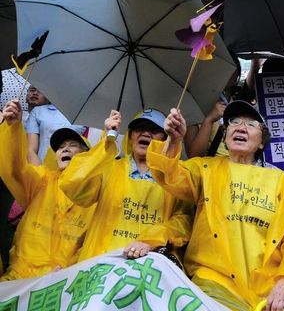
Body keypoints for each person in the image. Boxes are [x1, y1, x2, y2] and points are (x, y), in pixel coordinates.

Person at [147, 100, 284, 311]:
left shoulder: (283, 183)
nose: (240, 127)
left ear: (262, 142)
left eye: (251, 124)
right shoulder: (204, 169)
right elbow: (169, 175)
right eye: (234, 122)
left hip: (273, 283)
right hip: (215, 281)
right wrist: (174, 141)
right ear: (226, 138)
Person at [59, 109, 193, 262]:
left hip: (147, 267)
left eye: (154, 130)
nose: (145, 134)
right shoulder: (108, 168)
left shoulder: (174, 176)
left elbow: (183, 221)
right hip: (101, 266)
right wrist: (106, 142)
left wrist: (151, 241)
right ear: (130, 136)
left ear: (165, 138)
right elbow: (72, 183)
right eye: (139, 128)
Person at [0, 100, 96, 281]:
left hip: (64, 281)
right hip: (20, 277)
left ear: (87, 154)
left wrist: (69, 269)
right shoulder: (41, 181)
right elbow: (15, 168)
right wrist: (13, 128)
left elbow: (94, 241)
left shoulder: (95, 193)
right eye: (60, 147)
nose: (65, 149)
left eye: (72, 145)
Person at [25, 87, 84, 165]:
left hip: (74, 170)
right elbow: (31, 149)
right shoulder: (38, 112)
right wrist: (40, 173)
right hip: (44, 169)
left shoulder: (83, 114)